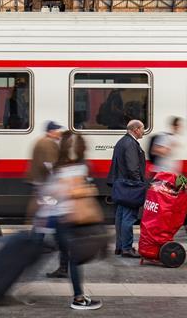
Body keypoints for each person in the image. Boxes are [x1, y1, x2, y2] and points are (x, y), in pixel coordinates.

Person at [44, 131, 103, 310]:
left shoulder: (57, 167)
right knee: (76, 258)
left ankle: (78, 296)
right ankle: (78, 298)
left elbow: (51, 194)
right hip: (74, 220)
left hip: (61, 219)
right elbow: (79, 191)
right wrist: (87, 190)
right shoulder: (81, 168)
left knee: (70, 256)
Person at [26, 121, 67, 278]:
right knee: (48, 225)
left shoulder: (42, 142)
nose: (59, 133)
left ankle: (32, 250)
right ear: (51, 131)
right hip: (49, 192)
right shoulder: (48, 144)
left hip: (45, 190)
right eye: (57, 130)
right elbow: (51, 167)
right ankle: (33, 251)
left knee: (43, 224)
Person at [107, 119, 146, 258]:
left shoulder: (122, 141)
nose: (143, 131)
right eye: (142, 128)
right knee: (129, 218)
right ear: (135, 129)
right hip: (129, 186)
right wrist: (139, 184)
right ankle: (127, 248)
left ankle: (120, 246)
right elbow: (132, 167)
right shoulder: (130, 144)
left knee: (120, 217)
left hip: (121, 185)